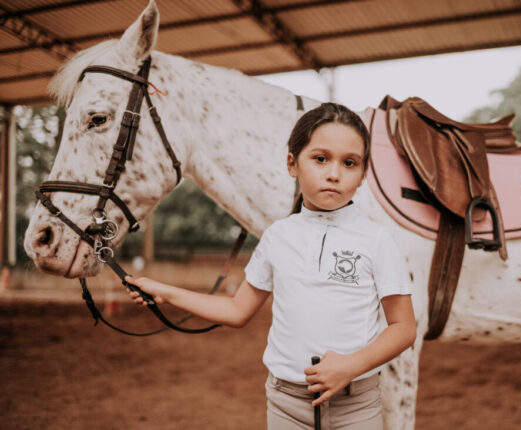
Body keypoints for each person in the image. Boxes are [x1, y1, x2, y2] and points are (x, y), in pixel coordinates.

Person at [126, 102, 416, 429]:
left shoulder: (377, 240)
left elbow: (404, 328)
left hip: (356, 406)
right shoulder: (277, 236)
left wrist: (352, 366)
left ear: (363, 174)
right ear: (292, 163)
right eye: (320, 159)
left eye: (349, 163)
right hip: (286, 405)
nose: (334, 173)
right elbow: (237, 311)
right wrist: (164, 291)